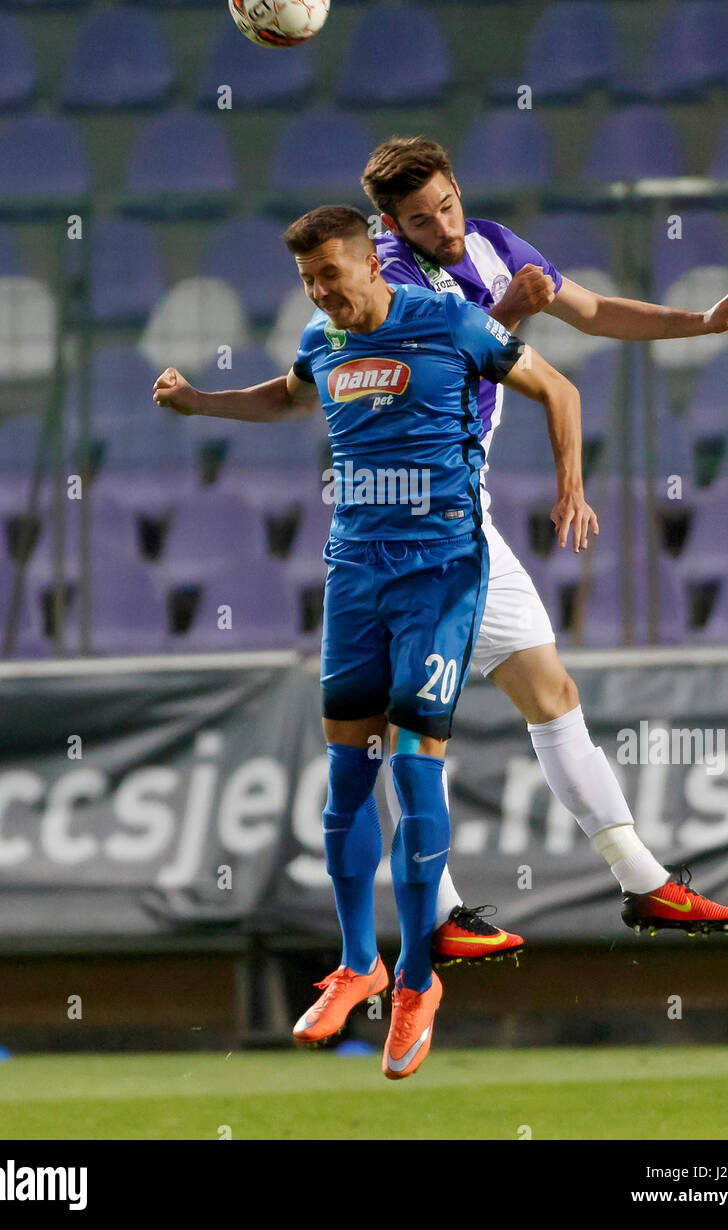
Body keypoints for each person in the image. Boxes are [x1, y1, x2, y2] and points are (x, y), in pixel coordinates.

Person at [154, 204, 595, 1078]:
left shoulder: (453, 322)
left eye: (330, 275)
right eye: (308, 281)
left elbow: (559, 388)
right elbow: (283, 396)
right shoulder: (324, 340)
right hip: (355, 571)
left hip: (441, 570)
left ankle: (419, 985)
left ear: (370, 265)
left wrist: (568, 490)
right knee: (346, 781)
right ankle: (360, 964)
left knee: (413, 764)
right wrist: (199, 402)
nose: (319, 292)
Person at [358, 136, 728, 956]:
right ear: (392, 224)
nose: (446, 228)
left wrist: (701, 324)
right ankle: (435, 915)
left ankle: (644, 884)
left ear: (459, 189)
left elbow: (596, 313)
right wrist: (508, 316)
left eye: (449, 206)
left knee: (551, 692)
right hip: (407, 524)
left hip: (468, 516)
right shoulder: (383, 278)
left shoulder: (498, 246)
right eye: (424, 221)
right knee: (416, 722)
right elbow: (425, 374)